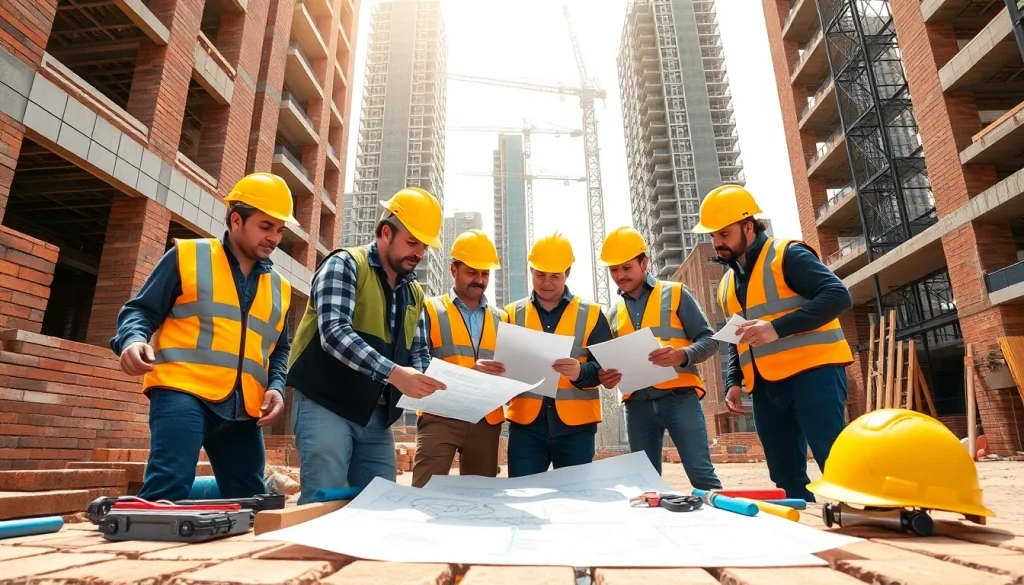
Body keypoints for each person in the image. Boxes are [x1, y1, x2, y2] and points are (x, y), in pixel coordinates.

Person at [111, 172, 295, 502]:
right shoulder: (188, 257)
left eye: (280, 230)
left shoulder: (280, 287)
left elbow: (280, 349)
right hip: (183, 392)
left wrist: (277, 387)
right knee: (167, 490)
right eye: (266, 227)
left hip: (245, 409)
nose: (274, 238)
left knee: (250, 501)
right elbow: (140, 310)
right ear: (236, 220)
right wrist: (132, 340)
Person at [692, 184, 854, 500]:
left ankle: (865, 526)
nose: (717, 243)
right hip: (766, 386)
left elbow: (838, 296)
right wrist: (733, 381)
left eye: (724, 234)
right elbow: (737, 338)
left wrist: (777, 328)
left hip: (814, 374)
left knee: (835, 461)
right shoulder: (726, 283)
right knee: (784, 475)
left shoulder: (787, 254)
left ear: (748, 226)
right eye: (712, 236)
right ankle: (806, 531)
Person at [286, 187, 446, 505]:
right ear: (386, 232)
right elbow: (334, 333)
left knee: (381, 506)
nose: (419, 253)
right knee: (323, 505)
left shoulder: (414, 295)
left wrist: (460, 383)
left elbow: (419, 358)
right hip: (325, 406)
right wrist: (396, 374)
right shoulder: (345, 265)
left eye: (424, 246)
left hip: (375, 417)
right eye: (412, 242)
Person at [596, 226, 723, 490]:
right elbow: (610, 363)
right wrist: (607, 377)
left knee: (702, 475)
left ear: (644, 262)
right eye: (614, 270)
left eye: (626, 268)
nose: (619, 276)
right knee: (645, 484)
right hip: (637, 406)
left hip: (680, 400)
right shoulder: (612, 314)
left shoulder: (676, 293)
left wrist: (682, 355)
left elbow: (710, 340)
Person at [503, 232, 612, 477]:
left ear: (568, 273)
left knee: (576, 504)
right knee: (525, 499)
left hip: (577, 430)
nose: (547, 283)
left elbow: (606, 371)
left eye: (555, 276)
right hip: (526, 428)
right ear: (530, 270)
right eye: (540, 274)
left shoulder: (592, 314)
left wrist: (581, 372)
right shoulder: (510, 314)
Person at [412, 229, 508, 487]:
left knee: (480, 499)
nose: (479, 279)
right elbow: (417, 360)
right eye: (472, 272)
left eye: (485, 273)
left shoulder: (502, 318)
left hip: (486, 420)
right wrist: (467, 373)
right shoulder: (431, 308)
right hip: (439, 415)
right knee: (425, 493)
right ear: (453, 270)